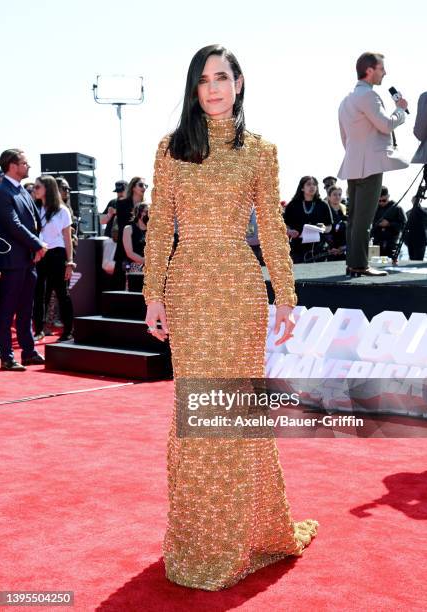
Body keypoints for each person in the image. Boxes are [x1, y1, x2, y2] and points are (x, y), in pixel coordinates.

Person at [142, 44, 318, 591]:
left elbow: (270, 228)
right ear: (194, 90)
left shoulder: (260, 153)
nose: (213, 87)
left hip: (240, 292)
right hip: (190, 289)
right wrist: (153, 293)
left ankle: (250, 531)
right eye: (203, 79)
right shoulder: (171, 150)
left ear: (239, 83)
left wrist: (285, 296)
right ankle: (202, 537)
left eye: (222, 77)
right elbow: (159, 227)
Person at [338, 51, 408, 277]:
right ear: (369, 70)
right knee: (364, 219)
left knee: (354, 218)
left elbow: (345, 139)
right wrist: (400, 109)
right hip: (370, 165)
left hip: (353, 164)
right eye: (381, 68)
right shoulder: (369, 96)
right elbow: (386, 125)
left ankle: (353, 263)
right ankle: (360, 265)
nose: (384, 72)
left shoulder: (346, 100)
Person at [0, 149, 47, 370]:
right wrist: (38, 245)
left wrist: (38, 247)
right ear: (12, 165)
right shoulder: (2, 192)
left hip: (29, 260)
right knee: (7, 310)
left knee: (27, 308)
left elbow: (36, 223)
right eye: (24, 163)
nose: (28, 167)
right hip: (11, 261)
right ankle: (7, 357)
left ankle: (28, 352)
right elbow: (13, 225)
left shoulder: (23, 192)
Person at [32, 175, 75, 342]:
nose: (34, 190)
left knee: (62, 293)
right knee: (39, 294)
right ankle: (39, 330)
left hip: (57, 254)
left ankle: (68, 330)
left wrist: (69, 262)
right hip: (39, 254)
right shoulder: (34, 208)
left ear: (47, 189)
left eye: (37, 187)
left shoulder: (62, 210)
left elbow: (67, 237)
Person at [283, 176, 333, 263]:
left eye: (314, 184)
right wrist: (289, 231)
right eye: (309, 184)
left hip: (319, 249)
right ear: (302, 188)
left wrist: (323, 228)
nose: (312, 187)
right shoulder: (292, 205)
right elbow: (284, 226)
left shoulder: (323, 204)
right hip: (298, 249)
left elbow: (329, 226)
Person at [112, 176, 148, 289]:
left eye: (145, 186)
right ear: (133, 187)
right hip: (125, 249)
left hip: (141, 248)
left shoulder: (147, 206)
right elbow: (123, 227)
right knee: (121, 285)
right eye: (141, 185)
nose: (144, 188)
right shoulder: (122, 204)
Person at [371, 186, 406, 258]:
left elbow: (404, 225)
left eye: (384, 200)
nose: (381, 203)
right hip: (376, 245)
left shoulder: (397, 208)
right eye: (379, 201)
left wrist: (389, 224)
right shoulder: (375, 209)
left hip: (392, 246)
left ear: (388, 196)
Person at [122, 202, 148, 291]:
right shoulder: (129, 229)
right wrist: (145, 261)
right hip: (135, 268)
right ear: (139, 213)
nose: (148, 214)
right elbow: (129, 253)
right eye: (146, 211)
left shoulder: (152, 230)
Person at [324, 185, 347, 260]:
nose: (337, 197)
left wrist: (343, 247)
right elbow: (323, 233)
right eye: (334, 194)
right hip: (328, 252)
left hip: (344, 251)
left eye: (339, 194)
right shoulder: (324, 212)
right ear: (329, 197)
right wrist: (330, 248)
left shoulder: (345, 212)